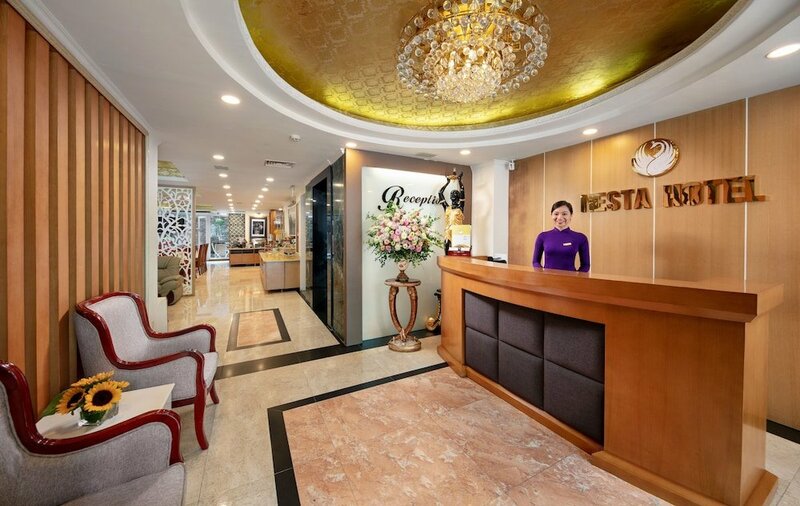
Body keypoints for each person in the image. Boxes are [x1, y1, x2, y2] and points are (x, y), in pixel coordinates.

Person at [532, 200, 590, 272]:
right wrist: (542, 274)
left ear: (571, 215)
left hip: (570, 278)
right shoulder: (542, 236)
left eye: (564, 214)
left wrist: (576, 277)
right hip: (547, 277)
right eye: (556, 214)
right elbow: (535, 262)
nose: (559, 217)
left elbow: (585, 265)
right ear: (551, 215)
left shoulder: (580, 238)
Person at [438, 169, 465, 253]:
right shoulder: (447, 208)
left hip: (458, 232)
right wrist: (447, 182)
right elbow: (440, 193)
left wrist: (460, 181)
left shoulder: (460, 207)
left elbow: (462, 190)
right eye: (452, 193)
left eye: (455, 193)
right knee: (446, 249)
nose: (453, 194)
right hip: (448, 232)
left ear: (458, 197)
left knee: (457, 253)